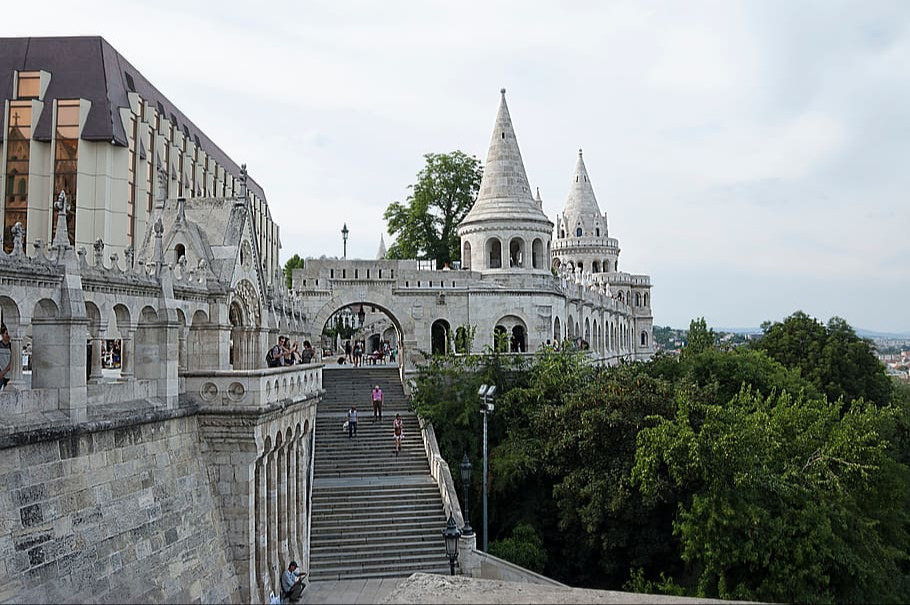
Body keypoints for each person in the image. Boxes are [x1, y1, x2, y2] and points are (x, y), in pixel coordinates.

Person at [0, 326, 11, 390]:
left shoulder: (11, 346)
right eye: (6, 333)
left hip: (8, 375)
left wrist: (4, 371)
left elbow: (12, 361)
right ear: (2, 334)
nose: (8, 335)